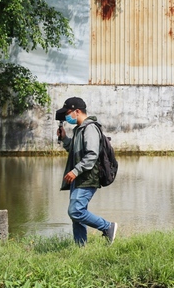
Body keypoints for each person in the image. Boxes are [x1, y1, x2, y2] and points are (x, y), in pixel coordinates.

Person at [56, 97, 118, 246]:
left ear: (77, 111)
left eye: (68, 113)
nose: (66, 116)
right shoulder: (79, 129)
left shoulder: (90, 128)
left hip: (87, 177)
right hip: (79, 178)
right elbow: (74, 150)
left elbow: (92, 154)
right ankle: (80, 247)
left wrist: (75, 171)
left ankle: (107, 227)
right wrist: (64, 139)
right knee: (77, 214)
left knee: (76, 211)